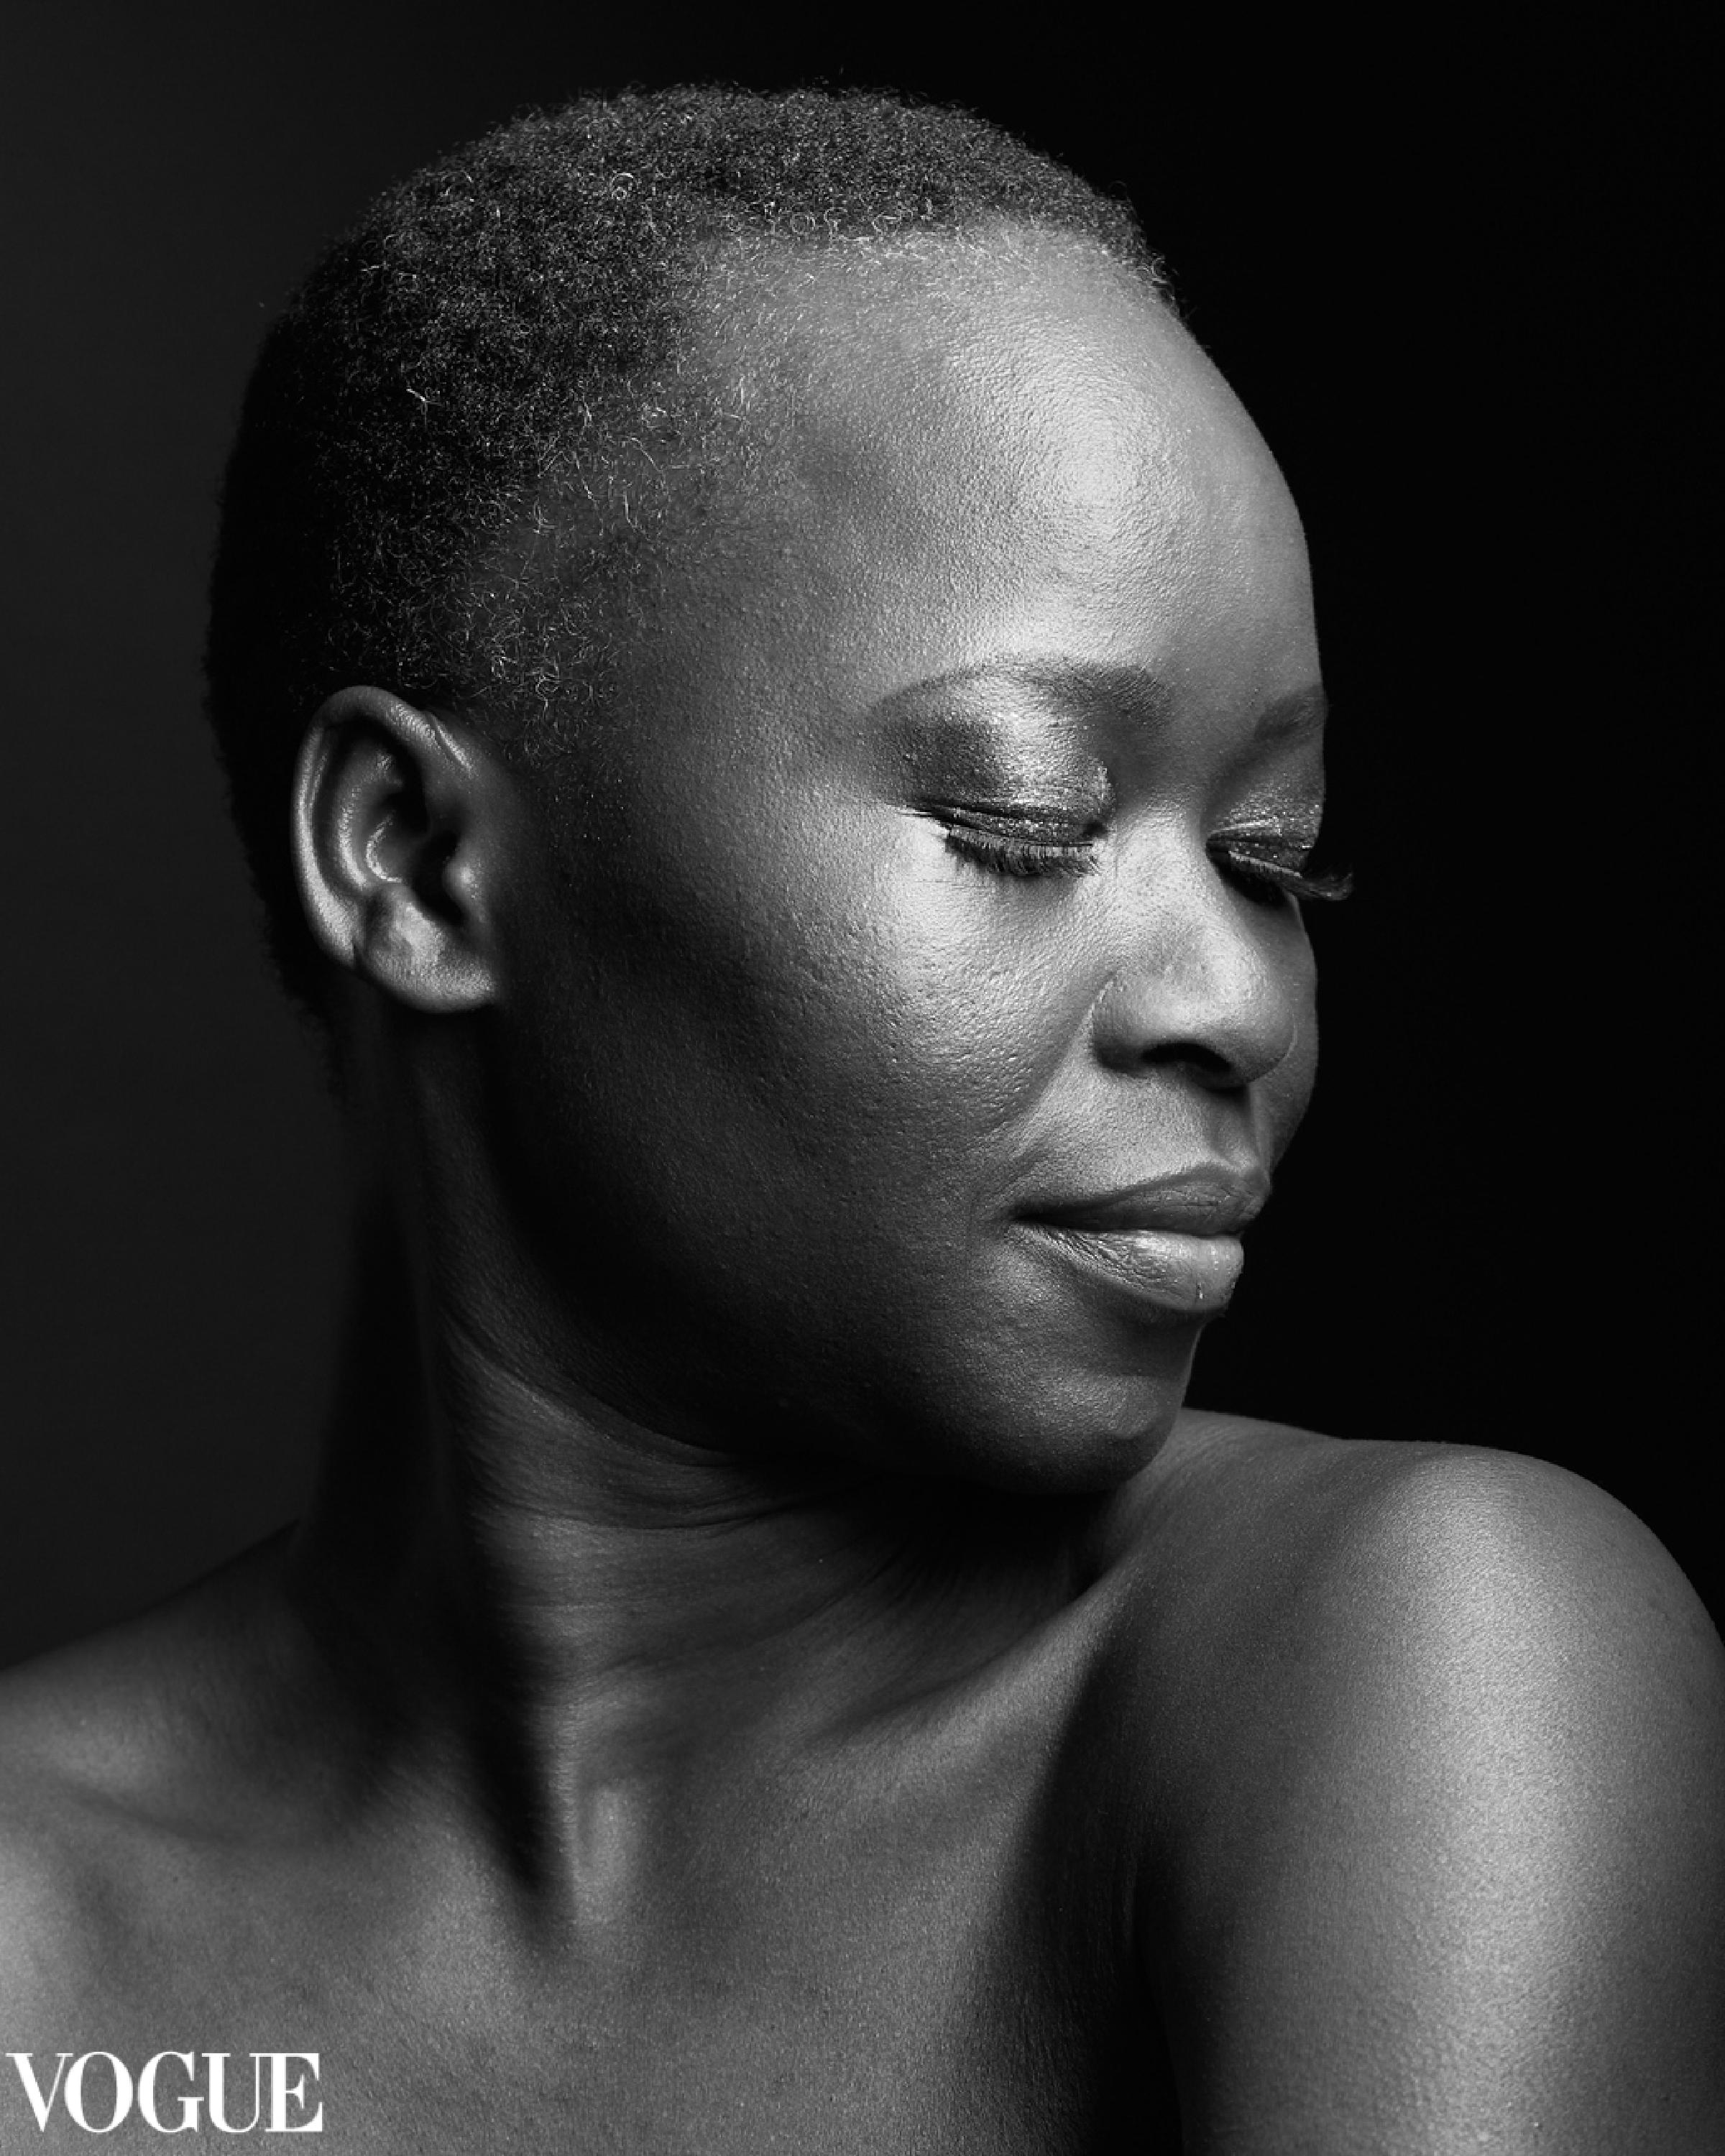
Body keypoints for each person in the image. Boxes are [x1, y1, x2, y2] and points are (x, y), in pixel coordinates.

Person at [0, 84, 1719, 2153]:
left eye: (1276, 857)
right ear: (420, 865)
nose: (1235, 1001)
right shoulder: (36, 1951)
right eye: (1022, 815)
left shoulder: (1418, 1663)